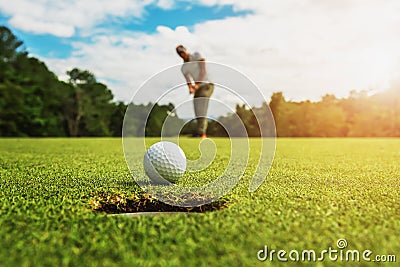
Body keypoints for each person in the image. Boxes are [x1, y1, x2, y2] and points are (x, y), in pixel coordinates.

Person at [176, 45, 214, 138]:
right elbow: (188, 81)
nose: (182, 54)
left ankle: (202, 133)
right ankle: (199, 132)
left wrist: (196, 84)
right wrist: (190, 88)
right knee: (197, 109)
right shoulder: (183, 68)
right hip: (198, 87)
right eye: (180, 53)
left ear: (185, 50)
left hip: (207, 84)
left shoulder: (197, 55)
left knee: (201, 107)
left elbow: (203, 71)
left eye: (182, 51)